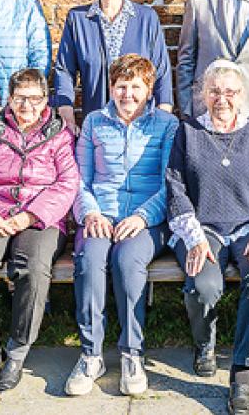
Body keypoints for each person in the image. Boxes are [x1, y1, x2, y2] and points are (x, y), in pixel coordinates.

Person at [166, 60, 249, 415]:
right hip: (203, 228)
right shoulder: (187, 132)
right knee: (203, 284)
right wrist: (194, 238)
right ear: (203, 94)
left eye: (230, 92)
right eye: (215, 91)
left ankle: (243, 373)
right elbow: (175, 188)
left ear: (242, 95)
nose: (222, 99)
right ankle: (205, 343)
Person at [0, 69, 80, 393]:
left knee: (33, 270)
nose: (28, 105)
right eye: (20, 98)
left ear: (45, 100)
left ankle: (18, 352)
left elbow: (67, 183)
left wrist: (30, 216)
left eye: (35, 98)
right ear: (9, 99)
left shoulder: (58, 132)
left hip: (39, 217)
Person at [65, 54, 179, 397]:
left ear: (149, 89)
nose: (128, 94)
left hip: (146, 219)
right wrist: (91, 214)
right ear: (111, 87)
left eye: (136, 87)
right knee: (89, 260)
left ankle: (131, 353)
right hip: (101, 214)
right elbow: (80, 179)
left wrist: (142, 217)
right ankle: (91, 354)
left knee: (128, 262)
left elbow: (169, 183)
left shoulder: (166, 125)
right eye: (121, 86)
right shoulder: (95, 123)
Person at [52, 0, 173, 133]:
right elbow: (64, 70)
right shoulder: (78, 19)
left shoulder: (147, 18)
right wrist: (66, 112)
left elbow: (162, 72)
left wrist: (162, 118)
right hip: (96, 125)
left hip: (141, 127)